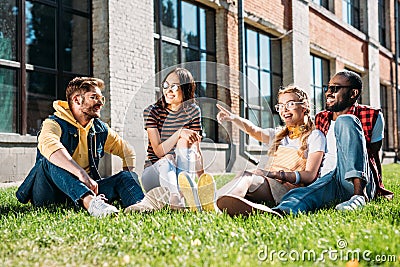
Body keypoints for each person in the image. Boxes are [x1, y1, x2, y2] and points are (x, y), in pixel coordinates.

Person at [227, 70, 393, 217]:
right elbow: (298, 130)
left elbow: (373, 156)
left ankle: (359, 196)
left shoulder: (373, 116)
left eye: (335, 88)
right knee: (301, 194)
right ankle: (278, 212)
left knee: (346, 120)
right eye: (327, 88)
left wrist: (379, 187)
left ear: (353, 93)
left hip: (360, 180)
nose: (328, 93)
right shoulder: (321, 118)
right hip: (329, 181)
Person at [16, 77, 144, 217]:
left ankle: (139, 204)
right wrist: (81, 174)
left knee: (125, 177)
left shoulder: (99, 129)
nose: (100, 103)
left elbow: (127, 150)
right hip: (50, 194)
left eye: (101, 98)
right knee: (50, 160)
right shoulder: (53, 124)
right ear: (77, 100)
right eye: (94, 97)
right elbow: (51, 146)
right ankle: (92, 204)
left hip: (85, 189)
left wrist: (130, 179)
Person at [216, 86, 326, 216]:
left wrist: (272, 174)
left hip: (288, 190)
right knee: (243, 175)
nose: (284, 109)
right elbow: (253, 130)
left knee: (247, 176)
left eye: (290, 104)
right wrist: (234, 118)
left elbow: (309, 175)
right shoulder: (280, 134)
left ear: (305, 107)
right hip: (269, 183)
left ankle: (219, 204)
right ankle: (220, 201)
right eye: (280, 106)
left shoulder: (315, 136)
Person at [126, 68, 214, 212]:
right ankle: (176, 198)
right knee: (167, 156)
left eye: (174, 86)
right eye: (166, 86)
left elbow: (196, 151)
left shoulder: (193, 111)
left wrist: (202, 180)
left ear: (185, 89)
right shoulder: (152, 111)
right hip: (155, 173)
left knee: (184, 142)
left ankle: (186, 193)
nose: (168, 90)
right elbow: (158, 151)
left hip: (181, 174)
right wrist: (180, 132)